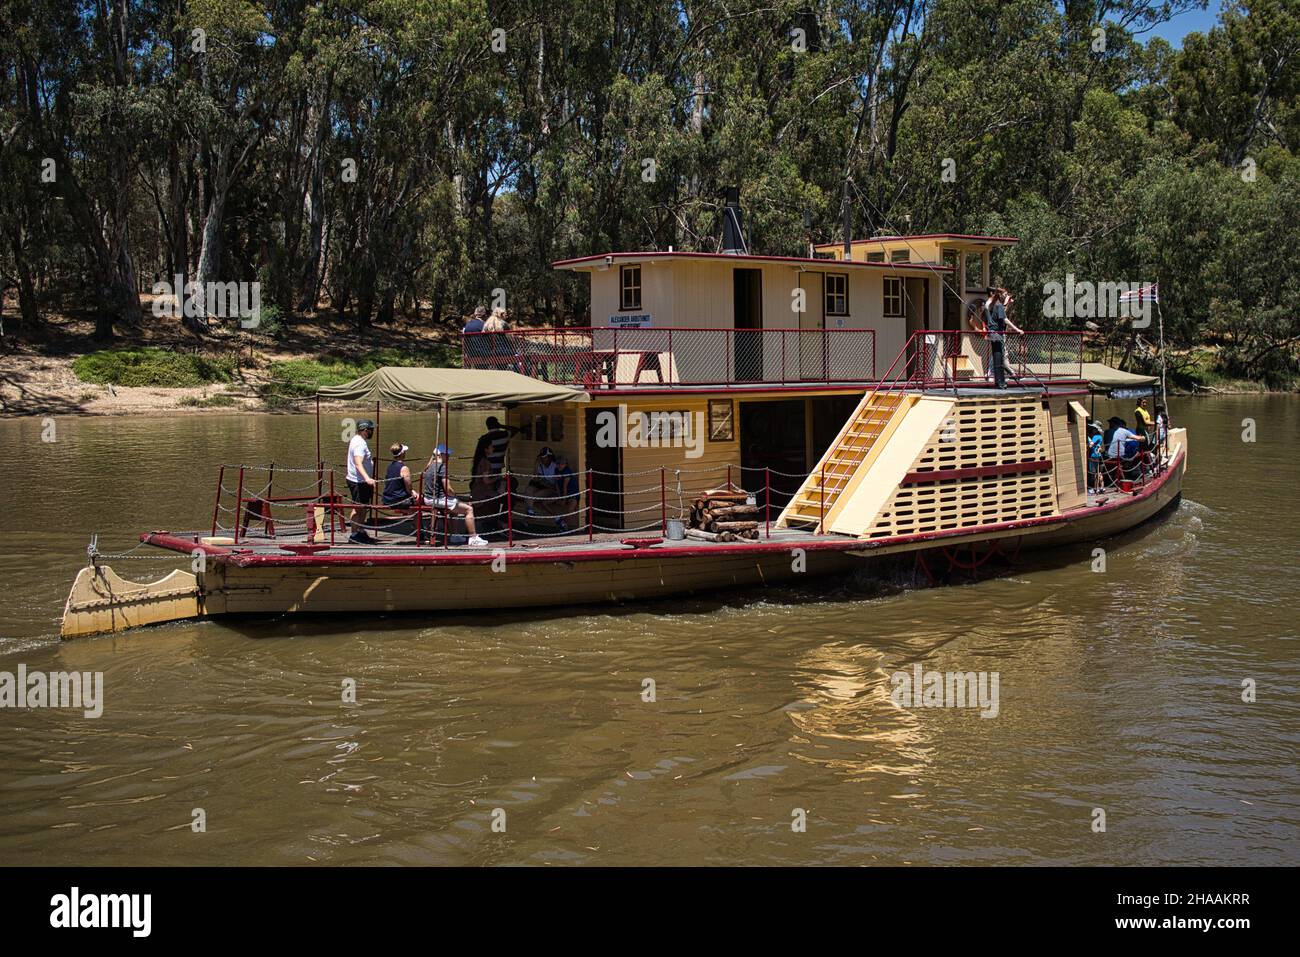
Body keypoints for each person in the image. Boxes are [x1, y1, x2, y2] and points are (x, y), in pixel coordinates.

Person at [423, 444, 489, 547]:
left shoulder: (429, 466)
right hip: (438, 499)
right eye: (447, 454)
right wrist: (455, 495)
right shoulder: (442, 468)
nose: (449, 456)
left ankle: (454, 535)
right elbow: (448, 489)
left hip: (428, 498)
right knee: (469, 509)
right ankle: (473, 537)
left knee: (455, 509)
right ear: (441, 455)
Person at [983, 286, 1024, 389]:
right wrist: (1017, 329)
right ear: (1000, 295)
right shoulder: (999, 306)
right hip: (998, 334)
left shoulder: (990, 305)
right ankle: (1001, 382)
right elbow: (1005, 320)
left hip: (992, 334)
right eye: (1005, 295)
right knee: (1000, 359)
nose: (1006, 296)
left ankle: (998, 381)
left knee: (997, 358)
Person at [346, 419, 377, 544]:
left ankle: (360, 530)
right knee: (358, 508)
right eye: (371, 430)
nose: (372, 432)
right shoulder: (360, 444)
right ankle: (354, 535)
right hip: (359, 482)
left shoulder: (357, 440)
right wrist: (367, 478)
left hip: (359, 480)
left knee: (362, 507)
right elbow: (358, 463)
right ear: (365, 430)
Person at [382, 442, 416, 509]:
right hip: (398, 500)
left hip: (387, 499)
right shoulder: (404, 468)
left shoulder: (389, 466)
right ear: (402, 453)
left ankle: (406, 515)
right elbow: (409, 487)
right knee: (418, 501)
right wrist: (413, 493)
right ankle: (413, 517)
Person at [1087, 421, 1105, 492]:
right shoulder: (1100, 436)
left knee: (1094, 473)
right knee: (1099, 472)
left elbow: (1091, 445)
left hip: (1093, 455)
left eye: (1093, 428)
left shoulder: (1095, 436)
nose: (1092, 430)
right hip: (1098, 455)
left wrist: (1088, 442)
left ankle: (1095, 488)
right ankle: (1102, 487)